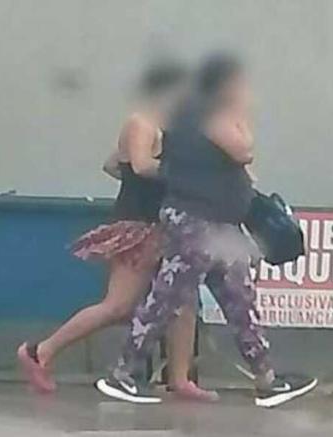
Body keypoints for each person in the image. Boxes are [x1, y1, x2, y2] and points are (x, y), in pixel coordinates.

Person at [95, 53, 318, 408]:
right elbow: (243, 150)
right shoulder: (209, 115)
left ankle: (267, 380)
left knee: (240, 300)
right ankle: (121, 375)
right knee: (165, 300)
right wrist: (240, 115)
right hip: (196, 222)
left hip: (220, 223)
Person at [17, 60, 218, 402]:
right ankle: (41, 351)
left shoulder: (168, 130)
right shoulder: (142, 123)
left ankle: (180, 378)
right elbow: (139, 165)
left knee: (184, 303)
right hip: (138, 227)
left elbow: (113, 164)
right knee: (119, 306)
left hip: (164, 227)